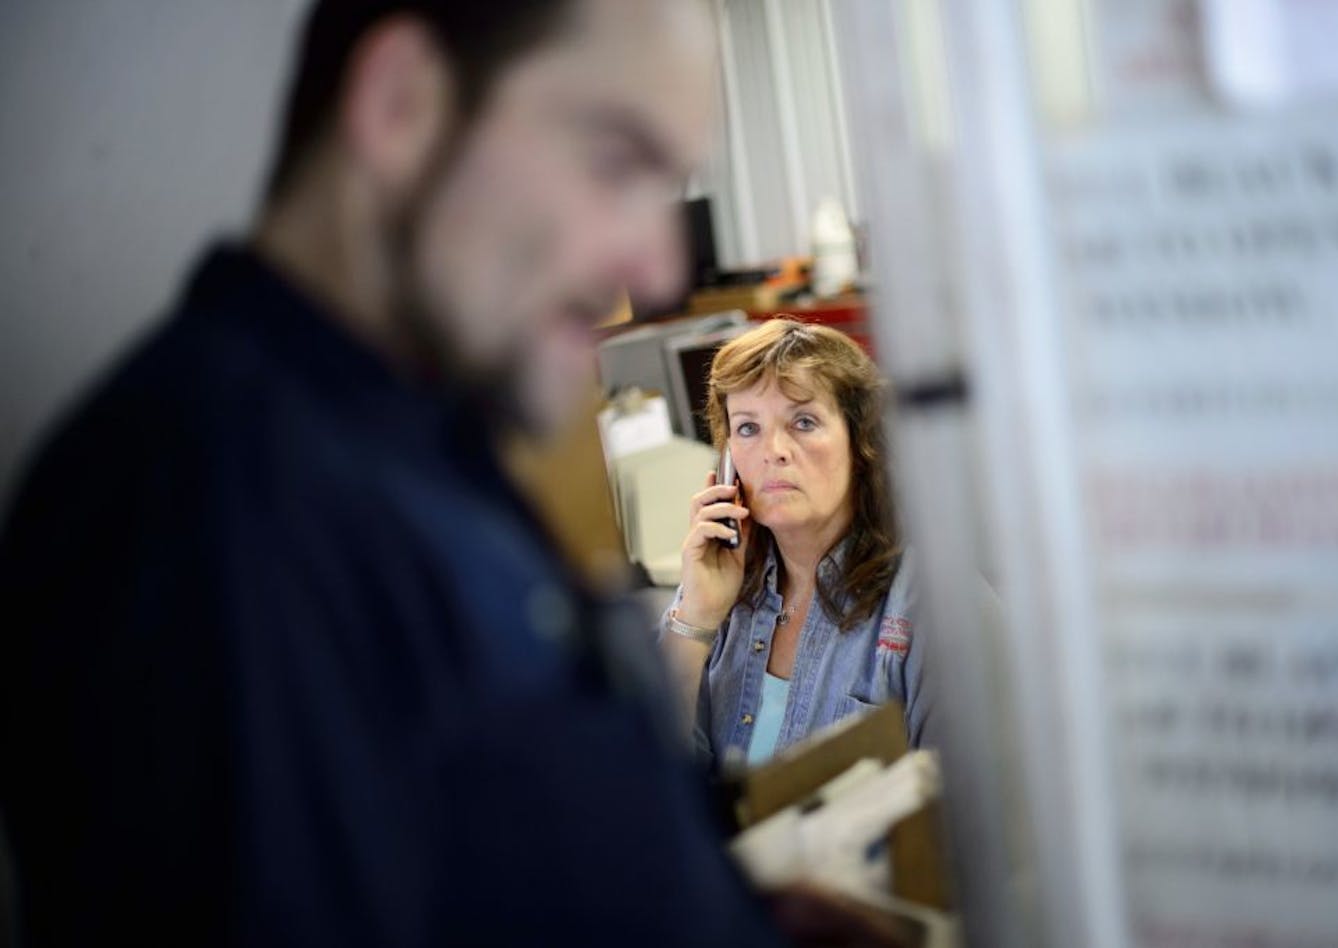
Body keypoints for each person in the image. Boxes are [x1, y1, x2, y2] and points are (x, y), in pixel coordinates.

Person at [0, 2, 797, 944]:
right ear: (402, 104)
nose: (659, 267)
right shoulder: (214, 513)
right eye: (616, 161)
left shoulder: (404, 437)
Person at [659, 319, 935, 768]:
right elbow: (650, 776)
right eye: (747, 428)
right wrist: (695, 619)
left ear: (861, 442)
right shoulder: (716, 582)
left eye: (803, 422)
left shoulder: (932, 607)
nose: (774, 450)